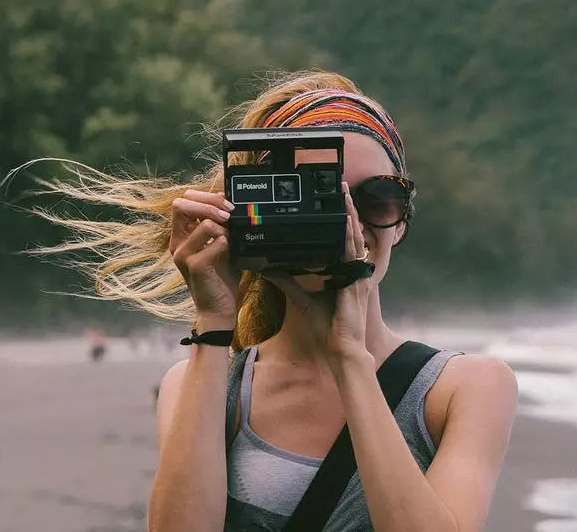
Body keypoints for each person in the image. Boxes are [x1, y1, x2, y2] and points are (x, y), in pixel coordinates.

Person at [26, 71, 518, 531]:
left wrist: (350, 357)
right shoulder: (206, 385)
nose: (347, 221)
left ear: (402, 220)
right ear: (260, 209)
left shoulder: (464, 388)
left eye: (377, 199)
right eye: (319, 196)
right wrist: (214, 318)